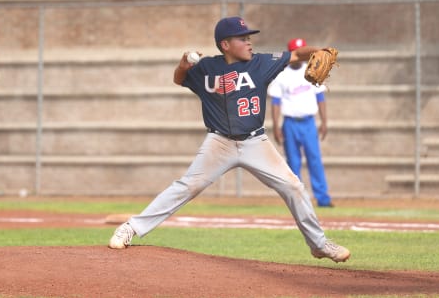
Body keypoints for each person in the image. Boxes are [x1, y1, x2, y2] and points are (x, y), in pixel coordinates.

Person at [108, 16, 350, 263]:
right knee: (188, 186)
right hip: (219, 143)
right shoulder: (206, 68)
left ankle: (319, 244)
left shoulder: (261, 63)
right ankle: (131, 228)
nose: (249, 43)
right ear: (225, 44)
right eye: (243, 39)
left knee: (293, 186)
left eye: (249, 38)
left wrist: (317, 51)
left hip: (256, 142)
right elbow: (179, 79)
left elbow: (297, 55)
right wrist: (183, 65)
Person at [268, 38, 333, 207]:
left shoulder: (312, 69)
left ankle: (323, 198)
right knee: (293, 163)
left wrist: (324, 121)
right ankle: (297, 200)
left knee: (315, 160)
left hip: (309, 122)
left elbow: (320, 97)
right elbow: (275, 102)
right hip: (290, 123)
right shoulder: (281, 74)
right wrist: (276, 126)